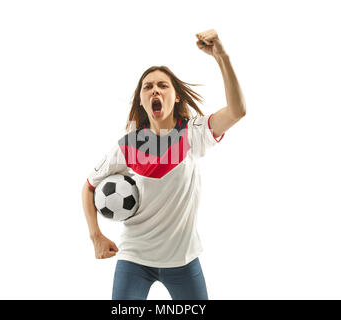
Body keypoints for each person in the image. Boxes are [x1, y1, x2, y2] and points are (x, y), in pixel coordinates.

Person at [82, 29, 246, 300]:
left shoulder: (194, 132)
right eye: (148, 87)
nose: (155, 90)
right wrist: (96, 236)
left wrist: (222, 57)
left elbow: (238, 111)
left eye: (163, 85)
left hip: (183, 259)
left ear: (176, 96)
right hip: (134, 258)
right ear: (142, 100)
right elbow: (88, 188)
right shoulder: (128, 145)